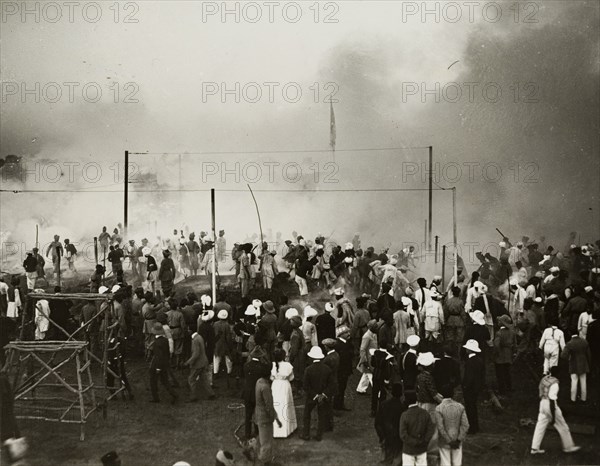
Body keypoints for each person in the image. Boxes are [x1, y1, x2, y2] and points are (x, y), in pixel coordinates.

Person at [530, 370, 580, 454]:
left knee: (540, 426)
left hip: (542, 403)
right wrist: (553, 416)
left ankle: (534, 448)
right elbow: (552, 400)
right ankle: (568, 447)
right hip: (550, 405)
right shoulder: (555, 383)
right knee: (563, 426)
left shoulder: (544, 379)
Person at [301, 346, 334, 441]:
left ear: (311, 357)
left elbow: (305, 386)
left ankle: (306, 434)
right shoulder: (327, 369)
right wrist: (323, 395)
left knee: (307, 414)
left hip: (311, 397)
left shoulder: (308, 369)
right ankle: (319, 435)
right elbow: (331, 384)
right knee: (321, 415)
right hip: (323, 397)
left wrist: (314, 395)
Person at [435, 384, 469, 466]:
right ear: (453, 394)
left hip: (444, 441)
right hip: (457, 440)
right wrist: (458, 439)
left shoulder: (439, 408)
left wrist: (449, 441)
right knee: (457, 463)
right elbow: (466, 425)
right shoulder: (460, 406)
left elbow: (440, 427)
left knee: (445, 462)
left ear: (441, 394)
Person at [399, 390, 436, 466]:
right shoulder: (425, 413)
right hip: (422, 449)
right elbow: (431, 430)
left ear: (406, 401)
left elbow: (403, 434)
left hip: (408, 449)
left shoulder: (405, 415)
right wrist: (424, 441)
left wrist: (414, 442)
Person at [255, 364, 282, 464]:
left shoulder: (259, 382)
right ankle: (266, 461)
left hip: (259, 414)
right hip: (265, 418)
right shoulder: (265, 387)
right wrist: (274, 418)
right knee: (266, 442)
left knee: (262, 438)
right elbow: (269, 405)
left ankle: (259, 454)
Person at [375, 383, 406, 465]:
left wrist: (382, 436)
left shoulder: (383, 405)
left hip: (386, 436)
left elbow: (377, 423)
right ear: (401, 393)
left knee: (386, 459)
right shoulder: (402, 408)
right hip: (397, 439)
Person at [148, 322, 178, 404]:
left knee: (153, 381)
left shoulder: (156, 343)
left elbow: (158, 356)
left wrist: (158, 368)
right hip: (165, 363)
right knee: (165, 381)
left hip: (157, 364)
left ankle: (155, 397)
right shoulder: (165, 340)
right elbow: (166, 353)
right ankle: (173, 394)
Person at [270, 348, 297, 438]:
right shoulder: (287, 365)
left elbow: (271, 378)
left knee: (276, 404)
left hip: (276, 385)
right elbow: (291, 378)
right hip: (285, 385)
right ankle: (287, 429)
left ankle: (276, 429)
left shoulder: (272, 365)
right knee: (286, 404)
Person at [242, 355, 269, 439]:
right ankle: (257, 432)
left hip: (248, 393)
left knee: (248, 415)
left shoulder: (246, 366)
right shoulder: (262, 367)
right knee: (258, 413)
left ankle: (247, 434)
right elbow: (268, 370)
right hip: (257, 393)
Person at [186, 329, 215, 402]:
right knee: (204, 379)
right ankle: (211, 394)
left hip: (198, 364)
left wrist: (188, 362)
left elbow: (196, 354)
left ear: (190, 330)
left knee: (191, 379)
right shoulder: (199, 337)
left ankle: (193, 396)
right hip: (203, 361)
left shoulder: (195, 340)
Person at [462, 339, 484, 434]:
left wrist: (465, 386)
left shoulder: (469, 362)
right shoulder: (479, 360)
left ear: (469, 350)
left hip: (470, 388)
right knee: (473, 407)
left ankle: (472, 428)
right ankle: (475, 426)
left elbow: (469, 377)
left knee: (470, 408)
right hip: (476, 387)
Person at [561, 333, 591, 402]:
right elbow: (589, 355)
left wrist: (569, 358)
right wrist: (588, 364)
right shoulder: (584, 341)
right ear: (577, 334)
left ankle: (573, 399)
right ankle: (584, 399)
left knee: (574, 382)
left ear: (571, 335)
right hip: (584, 365)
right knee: (583, 382)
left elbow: (563, 355)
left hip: (573, 365)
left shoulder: (569, 343)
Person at [493, 314, 516, 395]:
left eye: (500, 321)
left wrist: (496, 353)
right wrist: (513, 352)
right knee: (507, 372)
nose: (498, 322)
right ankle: (509, 387)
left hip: (500, 355)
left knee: (500, 374)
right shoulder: (512, 332)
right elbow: (515, 344)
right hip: (508, 354)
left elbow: (496, 345)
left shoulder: (499, 333)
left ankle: (502, 390)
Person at [356, 319, 379, 394]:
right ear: (371, 327)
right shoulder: (367, 336)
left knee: (366, 374)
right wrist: (364, 360)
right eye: (375, 326)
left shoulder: (373, 334)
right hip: (368, 360)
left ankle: (361, 388)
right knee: (372, 376)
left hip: (372, 358)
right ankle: (378, 392)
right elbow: (362, 349)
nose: (377, 327)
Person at [334, 326, 353, 411]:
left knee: (342, 387)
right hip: (341, 370)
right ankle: (337, 405)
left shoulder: (346, 343)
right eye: (346, 333)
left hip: (344, 370)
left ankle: (340, 404)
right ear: (341, 335)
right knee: (340, 388)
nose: (348, 334)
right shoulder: (339, 345)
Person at [213, 310, 234, 383]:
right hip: (224, 343)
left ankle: (215, 372)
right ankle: (229, 372)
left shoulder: (215, 324)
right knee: (228, 358)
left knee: (216, 358)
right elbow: (228, 336)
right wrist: (230, 344)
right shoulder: (227, 325)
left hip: (216, 343)